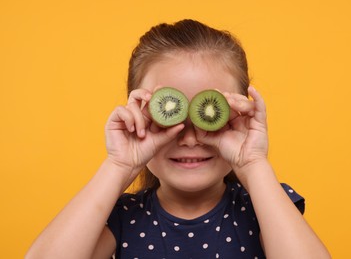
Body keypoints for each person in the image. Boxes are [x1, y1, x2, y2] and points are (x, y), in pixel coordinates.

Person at [26, 19, 331, 259]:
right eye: (168, 115)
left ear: (240, 113)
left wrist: (253, 164)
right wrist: (119, 164)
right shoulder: (123, 218)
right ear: (139, 115)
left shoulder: (264, 206)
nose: (189, 138)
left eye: (211, 116)